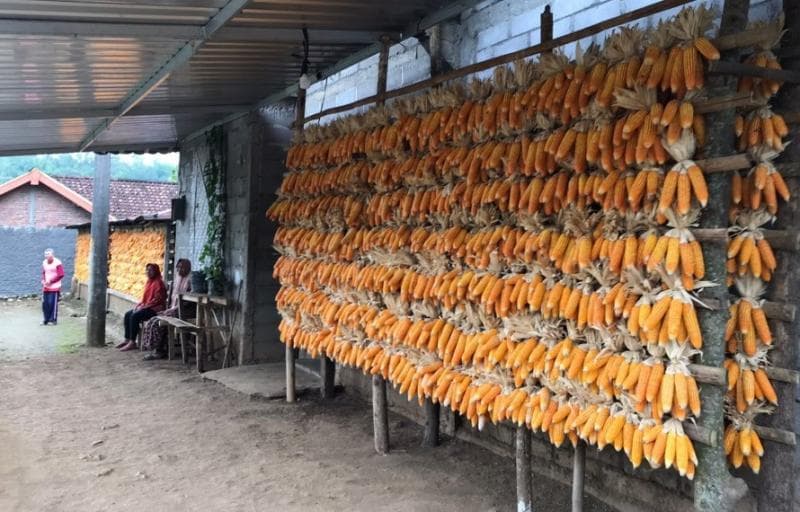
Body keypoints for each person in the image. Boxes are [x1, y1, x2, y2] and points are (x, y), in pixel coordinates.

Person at [142, 259, 192, 360]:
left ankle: (159, 351)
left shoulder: (190, 280)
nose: (179, 269)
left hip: (184, 311)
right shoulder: (178, 279)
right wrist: (168, 310)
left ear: (187, 267)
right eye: (178, 267)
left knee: (158, 323)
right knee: (153, 320)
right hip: (174, 310)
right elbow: (173, 299)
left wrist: (172, 310)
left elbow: (188, 302)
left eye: (182, 267)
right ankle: (158, 349)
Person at [116, 263, 167, 352]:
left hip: (155, 309)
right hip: (147, 307)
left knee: (135, 316)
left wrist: (144, 307)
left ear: (156, 271)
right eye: (147, 270)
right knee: (128, 314)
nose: (148, 272)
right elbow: (145, 299)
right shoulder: (149, 282)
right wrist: (139, 305)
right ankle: (127, 339)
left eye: (151, 270)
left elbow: (157, 300)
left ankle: (132, 342)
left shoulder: (159, 283)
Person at [41, 248, 64, 325]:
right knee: (45, 304)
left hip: (55, 287)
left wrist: (51, 281)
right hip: (46, 286)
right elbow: (44, 272)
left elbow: (61, 275)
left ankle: (53, 320)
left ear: (52, 255)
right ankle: (46, 319)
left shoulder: (57, 263)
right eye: (45, 254)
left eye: (48, 254)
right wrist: (43, 280)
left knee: (52, 303)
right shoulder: (44, 262)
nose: (47, 255)